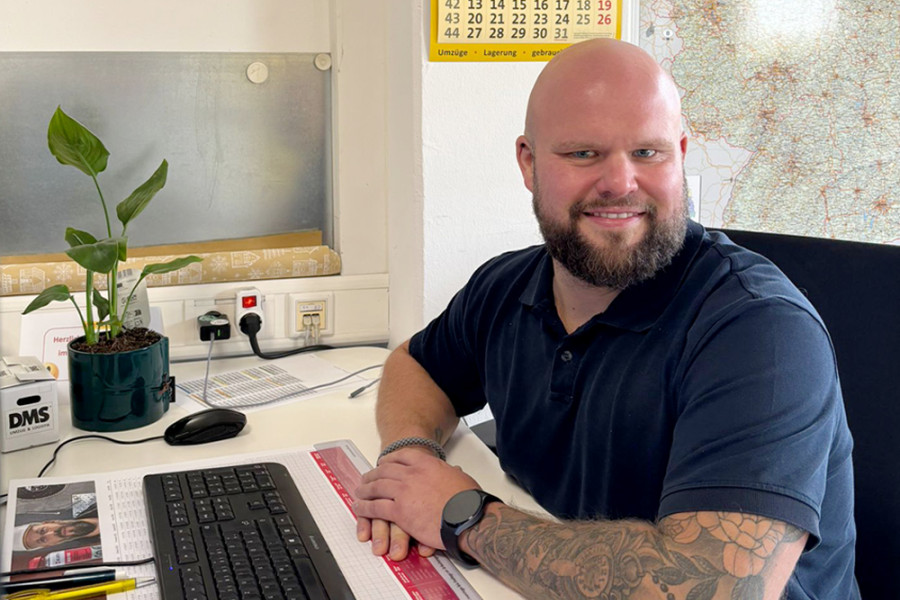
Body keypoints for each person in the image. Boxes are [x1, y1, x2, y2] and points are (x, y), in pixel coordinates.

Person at [353, 38, 858, 599]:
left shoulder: (761, 331)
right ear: (528, 163)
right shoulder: (504, 286)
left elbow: (718, 589)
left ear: (680, 154)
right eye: (583, 153)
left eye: (647, 152)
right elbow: (418, 365)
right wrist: (409, 458)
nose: (620, 182)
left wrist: (463, 516)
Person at [13, 518, 100, 551]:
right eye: (43, 540)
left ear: (47, 522)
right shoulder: (88, 546)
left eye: (43, 530)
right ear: (49, 545)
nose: (51, 533)